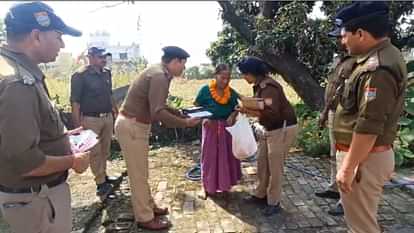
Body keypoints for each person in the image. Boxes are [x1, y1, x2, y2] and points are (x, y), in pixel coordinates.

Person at [0, 2, 90, 233]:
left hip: (34, 199)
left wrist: (60, 137)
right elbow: (25, 162)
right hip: (37, 201)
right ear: (36, 36)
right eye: (58, 36)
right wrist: (73, 161)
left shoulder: (16, 70)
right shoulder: (18, 83)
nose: (62, 44)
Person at [332, 2, 407, 233]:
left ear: (361, 33)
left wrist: (348, 167)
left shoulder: (377, 68)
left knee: (362, 227)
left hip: (364, 161)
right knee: (362, 221)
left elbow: (369, 123)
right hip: (364, 158)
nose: (342, 42)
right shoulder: (375, 58)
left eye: (345, 36)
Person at [114, 46, 201, 230]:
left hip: (134, 125)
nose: (183, 70)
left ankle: (149, 207)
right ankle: (145, 218)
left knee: (141, 172)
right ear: (175, 61)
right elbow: (158, 112)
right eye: (183, 65)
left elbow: (158, 105)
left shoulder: (158, 72)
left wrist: (178, 113)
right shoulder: (160, 76)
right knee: (138, 175)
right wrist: (185, 123)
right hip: (132, 125)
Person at [236, 57, 298, 216]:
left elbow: (272, 113)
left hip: (281, 128)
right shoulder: (260, 86)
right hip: (269, 128)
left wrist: (247, 110)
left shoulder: (269, 87)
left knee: (275, 167)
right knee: (263, 163)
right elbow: (263, 107)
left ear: (253, 73)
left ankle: (274, 202)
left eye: (245, 74)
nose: (244, 77)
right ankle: (260, 194)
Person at [315, 20, 357, 216]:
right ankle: (334, 188)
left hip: (346, 116)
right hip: (333, 112)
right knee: (334, 155)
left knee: (345, 157)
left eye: (340, 36)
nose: (338, 41)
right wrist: (324, 113)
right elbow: (333, 91)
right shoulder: (341, 61)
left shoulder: (356, 62)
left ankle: (345, 198)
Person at [70, 47, 119, 196]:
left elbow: (110, 94)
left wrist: (115, 112)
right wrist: (78, 126)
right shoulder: (80, 75)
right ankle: (100, 183)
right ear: (90, 57)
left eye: (105, 57)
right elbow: (75, 103)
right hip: (90, 119)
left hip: (107, 117)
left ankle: (103, 175)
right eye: (100, 57)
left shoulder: (106, 73)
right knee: (95, 152)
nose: (103, 60)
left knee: (105, 149)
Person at [194, 64, 242, 199]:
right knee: (209, 158)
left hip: (226, 128)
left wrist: (232, 116)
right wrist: (204, 118)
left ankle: (224, 184)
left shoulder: (231, 92)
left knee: (225, 158)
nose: (225, 81)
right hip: (210, 127)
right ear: (216, 75)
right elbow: (196, 107)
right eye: (222, 78)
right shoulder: (205, 90)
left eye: (228, 78)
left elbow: (236, 108)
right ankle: (205, 187)